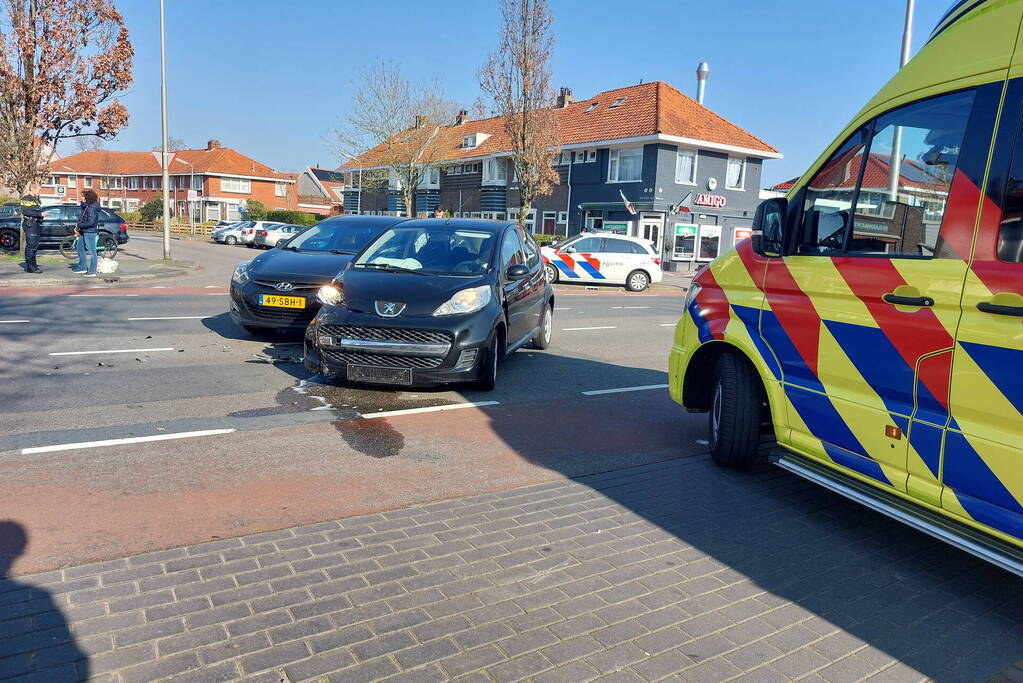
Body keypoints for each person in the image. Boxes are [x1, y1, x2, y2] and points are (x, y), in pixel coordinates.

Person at [74, 189, 101, 277]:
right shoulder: (86, 207)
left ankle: (92, 271)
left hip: (90, 232)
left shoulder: (91, 208)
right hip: (84, 231)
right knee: (79, 248)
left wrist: (79, 225)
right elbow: (82, 218)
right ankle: (82, 267)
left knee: (92, 252)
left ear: (87, 197)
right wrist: (79, 227)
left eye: (83, 196)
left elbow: (91, 222)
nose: (81, 198)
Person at [19, 182, 44, 274]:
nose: (40, 192)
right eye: (39, 190)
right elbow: (26, 212)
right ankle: (30, 266)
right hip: (30, 224)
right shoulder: (26, 199)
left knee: (35, 246)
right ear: (33, 189)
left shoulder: (35, 199)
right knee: (31, 246)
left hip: (35, 224)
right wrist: (40, 214)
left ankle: (34, 264)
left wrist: (40, 216)